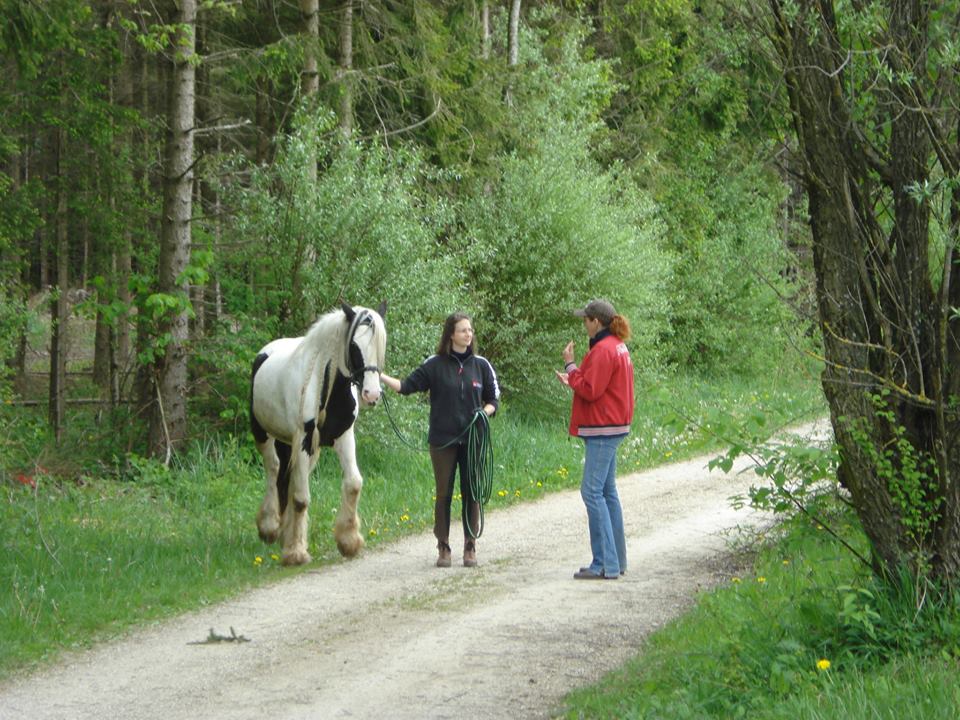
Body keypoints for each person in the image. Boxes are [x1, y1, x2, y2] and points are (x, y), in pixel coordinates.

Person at [380, 312, 500, 568]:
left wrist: (484, 412)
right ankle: (443, 546)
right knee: (443, 493)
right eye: (463, 330)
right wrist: (378, 376)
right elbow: (406, 386)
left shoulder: (482, 365)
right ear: (451, 334)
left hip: (473, 441)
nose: (469, 334)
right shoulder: (434, 364)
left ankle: (470, 546)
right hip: (442, 441)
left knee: (472, 492)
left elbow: (493, 400)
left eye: (470, 330)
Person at [555, 299, 634, 580]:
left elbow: (591, 390)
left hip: (603, 427)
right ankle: (617, 561)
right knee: (607, 492)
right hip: (614, 424)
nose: (583, 324)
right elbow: (596, 384)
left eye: (585, 320)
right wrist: (575, 376)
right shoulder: (617, 346)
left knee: (591, 492)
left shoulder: (603, 349)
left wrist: (571, 366)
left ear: (596, 322)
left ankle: (604, 563)